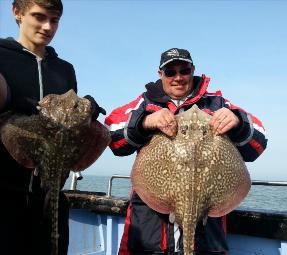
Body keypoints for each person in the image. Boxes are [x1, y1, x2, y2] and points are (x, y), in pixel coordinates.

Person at [105, 48, 268, 255]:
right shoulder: (145, 104)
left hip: (207, 238)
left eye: (184, 70)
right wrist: (145, 121)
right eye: (170, 72)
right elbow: (111, 136)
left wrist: (238, 121)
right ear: (160, 74)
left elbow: (260, 141)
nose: (178, 77)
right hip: (151, 234)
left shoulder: (217, 104)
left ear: (193, 71)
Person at [0, 1, 105, 254]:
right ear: (17, 12)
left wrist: (88, 109)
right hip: (4, 194)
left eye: (54, 20)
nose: (47, 27)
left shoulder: (64, 69)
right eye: (39, 17)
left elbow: (72, 131)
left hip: (51, 195)